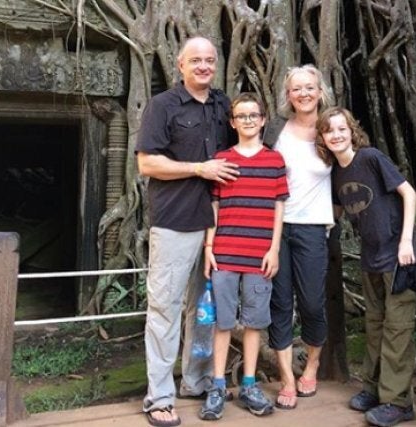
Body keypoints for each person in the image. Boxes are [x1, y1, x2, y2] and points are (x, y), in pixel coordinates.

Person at [135, 36, 240, 427]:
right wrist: (199, 168)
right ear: (180, 65)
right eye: (195, 60)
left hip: (219, 223)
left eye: (209, 60)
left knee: (205, 310)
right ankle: (158, 397)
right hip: (175, 221)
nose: (203, 66)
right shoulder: (163, 106)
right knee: (165, 309)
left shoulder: (222, 105)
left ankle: (195, 382)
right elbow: (147, 164)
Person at [315, 107, 416, 427]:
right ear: (322, 138)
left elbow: (408, 193)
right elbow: (334, 212)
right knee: (374, 325)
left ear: (352, 130)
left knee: (397, 328)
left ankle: (398, 402)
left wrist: (406, 242)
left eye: (342, 128)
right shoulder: (337, 173)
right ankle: (374, 390)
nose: (337, 135)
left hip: (399, 258)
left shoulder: (371, 158)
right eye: (329, 130)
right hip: (370, 258)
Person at [198, 92, 289, 420]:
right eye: (242, 116)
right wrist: (210, 247)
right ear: (232, 122)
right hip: (225, 251)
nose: (248, 120)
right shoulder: (223, 159)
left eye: (254, 115)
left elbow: (279, 205)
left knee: (254, 322)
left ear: (263, 119)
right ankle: (218, 384)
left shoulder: (274, 161)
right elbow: (215, 207)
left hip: (260, 254)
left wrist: (274, 248)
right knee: (222, 322)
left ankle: (249, 383)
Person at [262, 64, 334, 410]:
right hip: (275, 228)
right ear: (287, 95)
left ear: (320, 91)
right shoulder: (276, 128)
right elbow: (257, 171)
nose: (303, 94)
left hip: (313, 228)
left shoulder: (331, 129)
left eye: (309, 87)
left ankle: (314, 363)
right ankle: (287, 377)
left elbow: (355, 164)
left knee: (311, 303)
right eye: (296, 89)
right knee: (279, 303)